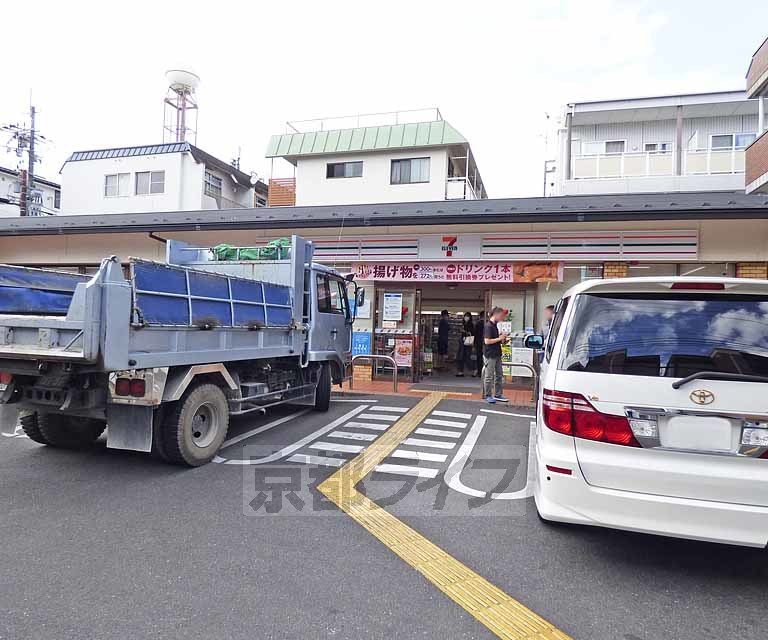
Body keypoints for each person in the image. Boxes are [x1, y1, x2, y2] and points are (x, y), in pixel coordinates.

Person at [483, 307, 509, 403]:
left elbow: (494, 340)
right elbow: (487, 341)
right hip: (490, 354)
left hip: (497, 353)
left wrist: (502, 339)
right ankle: (488, 395)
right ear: (496, 314)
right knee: (489, 376)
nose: (502, 318)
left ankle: (498, 394)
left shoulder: (495, 326)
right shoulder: (488, 326)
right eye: (501, 315)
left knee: (499, 374)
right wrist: (500, 338)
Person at [455, 312, 474, 377]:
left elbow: (471, 333)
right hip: (463, 342)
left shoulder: (471, 324)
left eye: (467, 316)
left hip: (467, 342)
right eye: (465, 316)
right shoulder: (464, 324)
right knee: (461, 356)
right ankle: (461, 371)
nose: (466, 318)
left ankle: (474, 369)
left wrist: (464, 331)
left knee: (466, 357)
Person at [473, 311, 485, 377]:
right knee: (485, 358)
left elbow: (475, 334)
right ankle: (484, 373)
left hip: (478, 343)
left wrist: (474, 344)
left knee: (479, 357)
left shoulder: (477, 324)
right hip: (485, 343)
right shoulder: (487, 324)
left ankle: (479, 372)